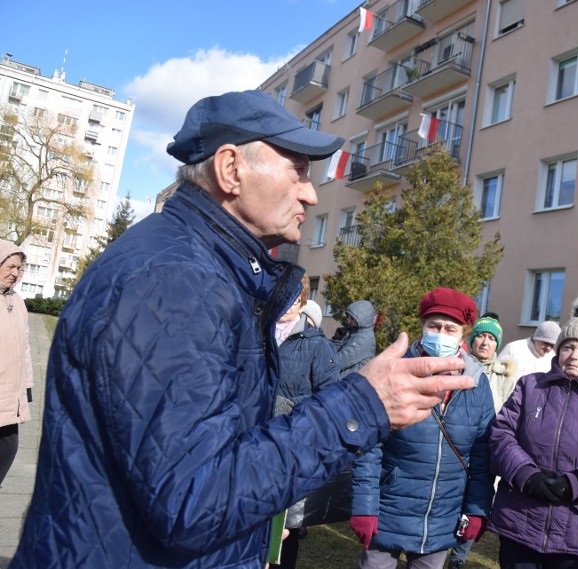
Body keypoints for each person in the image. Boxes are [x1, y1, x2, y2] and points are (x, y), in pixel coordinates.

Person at [10, 90, 476, 569]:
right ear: (230, 169)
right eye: (298, 170)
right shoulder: (176, 282)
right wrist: (363, 405)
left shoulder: (197, 268)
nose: (310, 193)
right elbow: (192, 501)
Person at [349, 287, 495, 569]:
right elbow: (368, 447)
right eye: (434, 326)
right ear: (422, 327)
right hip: (388, 509)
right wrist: (364, 508)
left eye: (450, 329)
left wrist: (476, 510)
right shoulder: (395, 370)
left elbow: (481, 454)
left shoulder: (477, 383)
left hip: (442, 515)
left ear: (463, 335)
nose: (441, 334)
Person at [487, 297, 578, 568]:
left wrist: (574, 483)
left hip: (576, 533)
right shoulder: (530, 386)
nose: (574, 355)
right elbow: (501, 435)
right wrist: (526, 475)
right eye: (568, 347)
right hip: (521, 519)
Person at [270, 274, 341, 569]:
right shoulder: (256, 335)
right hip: (248, 442)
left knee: (284, 530)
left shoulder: (316, 346)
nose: (287, 305)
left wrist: (285, 407)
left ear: (302, 303)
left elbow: (329, 400)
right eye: (282, 297)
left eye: (294, 299)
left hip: (291, 447)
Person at [448, 314, 518, 568]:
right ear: (472, 338)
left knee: (476, 504)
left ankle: (458, 557)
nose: (485, 342)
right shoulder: (456, 366)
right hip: (455, 448)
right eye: (481, 335)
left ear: (497, 344)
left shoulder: (507, 376)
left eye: (491, 338)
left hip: (487, 450)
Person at [0, 240, 32, 488]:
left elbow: (25, 348)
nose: (15, 273)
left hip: (9, 397)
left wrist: (27, 387)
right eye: (11, 266)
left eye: (19, 269)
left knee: (8, 449)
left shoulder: (17, 302)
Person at [334, 299, 377, 377]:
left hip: (347, 386)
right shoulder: (357, 334)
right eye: (348, 317)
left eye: (352, 318)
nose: (349, 321)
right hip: (346, 383)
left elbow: (338, 362)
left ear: (362, 318)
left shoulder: (364, 340)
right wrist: (335, 343)